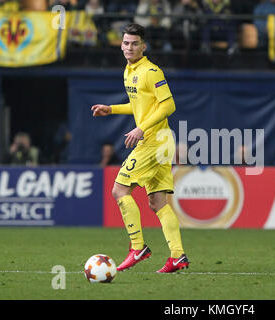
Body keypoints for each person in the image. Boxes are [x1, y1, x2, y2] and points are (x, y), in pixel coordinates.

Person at [90, 23, 189, 273]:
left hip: (154, 141)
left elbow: (168, 106)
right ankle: (177, 256)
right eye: (125, 43)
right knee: (158, 202)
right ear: (121, 44)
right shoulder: (128, 70)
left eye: (134, 44)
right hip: (160, 141)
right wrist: (111, 109)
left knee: (119, 190)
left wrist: (141, 128)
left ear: (143, 46)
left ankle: (138, 248)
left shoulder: (151, 71)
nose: (129, 47)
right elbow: (139, 106)